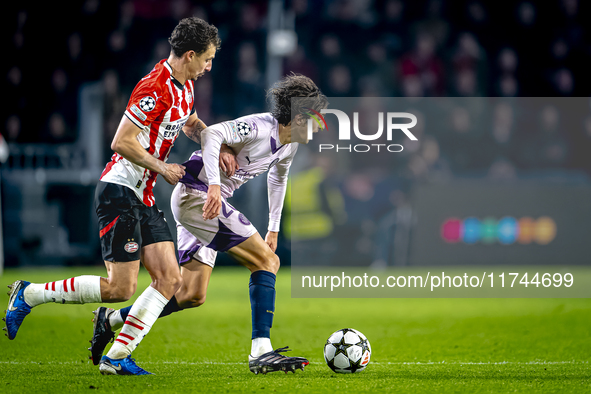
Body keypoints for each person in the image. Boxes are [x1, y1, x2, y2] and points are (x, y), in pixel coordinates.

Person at [4, 17, 235, 376]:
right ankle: (29, 294)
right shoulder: (153, 86)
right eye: (206, 59)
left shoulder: (184, 86)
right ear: (189, 55)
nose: (209, 66)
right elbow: (121, 142)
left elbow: (187, 122)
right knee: (119, 288)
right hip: (119, 190)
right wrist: (162, 167)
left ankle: (117, 356)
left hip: (142, 196)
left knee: (170, 279)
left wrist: (211, 141)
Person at [89, 73, 328, 374]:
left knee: (191, 294)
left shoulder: (289, 145)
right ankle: (261, 351)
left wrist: (274, 227)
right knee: (267, 261)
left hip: (205, 202)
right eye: (314, 118)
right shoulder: (258, 126)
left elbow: (278, 178)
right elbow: (212, 133)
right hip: (197, 196)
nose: (319, 126)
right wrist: (215, 184)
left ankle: (109, 320)